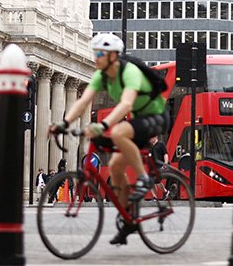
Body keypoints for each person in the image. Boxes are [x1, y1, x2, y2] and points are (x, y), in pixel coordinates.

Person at [50, 32, 168, 246]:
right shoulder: (101, 75)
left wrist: (103, 125)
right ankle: (128, 219)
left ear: (113, 55)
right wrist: (64, 123)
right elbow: (83, 101)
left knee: (117, 132)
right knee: (114, 167)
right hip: (138, 120)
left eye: (100, 54)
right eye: (95, 53)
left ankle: (144, 178)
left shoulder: (129, 72)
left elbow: (126, 104)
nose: (95, 58)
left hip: (155, 116)